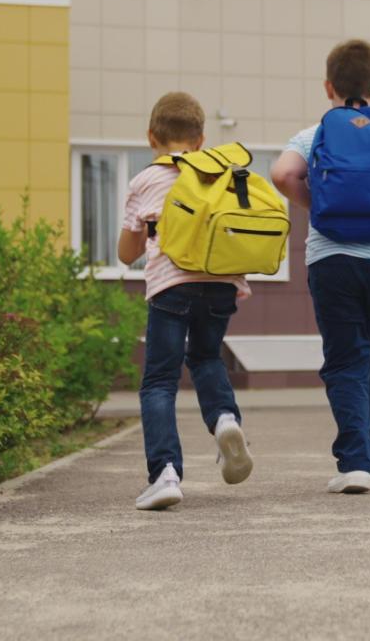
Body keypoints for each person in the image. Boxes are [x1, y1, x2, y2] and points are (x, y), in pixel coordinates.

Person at [271, 40, 370, 494]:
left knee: (346, 356)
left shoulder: (312, 134)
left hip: (332, 256)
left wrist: (318, 206)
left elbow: (282, 174)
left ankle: (355, 464)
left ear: (329, 87)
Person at [121, 92, 255, 511]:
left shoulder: (145, 181)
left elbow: (126, 253)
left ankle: (164, 474)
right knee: (206, 357)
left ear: (151, 137)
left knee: (160, 380)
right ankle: (225, 419)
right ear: (200, 140)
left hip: (170, 287)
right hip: (220, 284)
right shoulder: (220, 174)